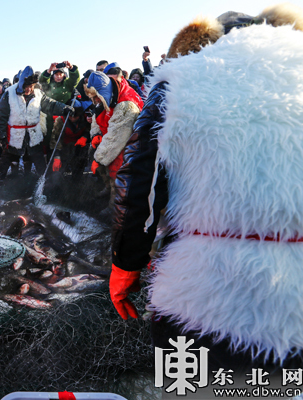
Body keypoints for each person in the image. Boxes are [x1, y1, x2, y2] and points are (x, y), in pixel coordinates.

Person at [110, 4, 303, 370]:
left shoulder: (179, 80)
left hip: (200, 295)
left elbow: (139, 182)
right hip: (296, 302)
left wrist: (125, 266)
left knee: (198, 391)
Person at [0, 66, 72, 182]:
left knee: (39, 161)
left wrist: (64, 108)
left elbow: (50, 105)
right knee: (6, 159)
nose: (29, 89)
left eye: (31, 86)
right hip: (15, 135)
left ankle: (44, 184)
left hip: (33, 134)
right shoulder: (9, 93)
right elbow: (0, 117)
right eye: (26, 86)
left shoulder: (39, 94)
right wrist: (2, 137)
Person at [86, 65, 143, 208]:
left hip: (126, 145)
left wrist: (98, 159)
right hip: (109, 137)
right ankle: (107, 188)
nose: (96, 101)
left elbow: (115, 139)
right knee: (103, 164)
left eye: (97, 98)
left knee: (116, 176)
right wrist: (96, 134)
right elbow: (97, 116)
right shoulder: (108, 95)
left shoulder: (126, 105)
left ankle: (114, 207)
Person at [39, 61, 80, 158]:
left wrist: (71, 67)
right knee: (49, 139)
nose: (58, 76)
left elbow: (75, 79)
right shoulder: (48, 85)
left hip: (64, 115)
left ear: (64, 74)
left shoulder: (68, 84)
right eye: (56, 74)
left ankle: (63, 161)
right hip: (49, 116)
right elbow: (42, 81)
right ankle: (49, 159)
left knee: (63, 139)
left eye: (60, 74)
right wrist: (49, 70)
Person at [49, 101, 90, 181]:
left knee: (80, 161)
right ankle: (59, 180)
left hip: (79, 145)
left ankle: (77, 178)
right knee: (59, 169)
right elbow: (56, 139)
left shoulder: (86, 118)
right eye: (71, 117)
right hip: (64, 146)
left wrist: (85, 137)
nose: (73, 119)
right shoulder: (60, 120)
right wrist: (57, 156)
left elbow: (90, 129)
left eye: (76, 117)